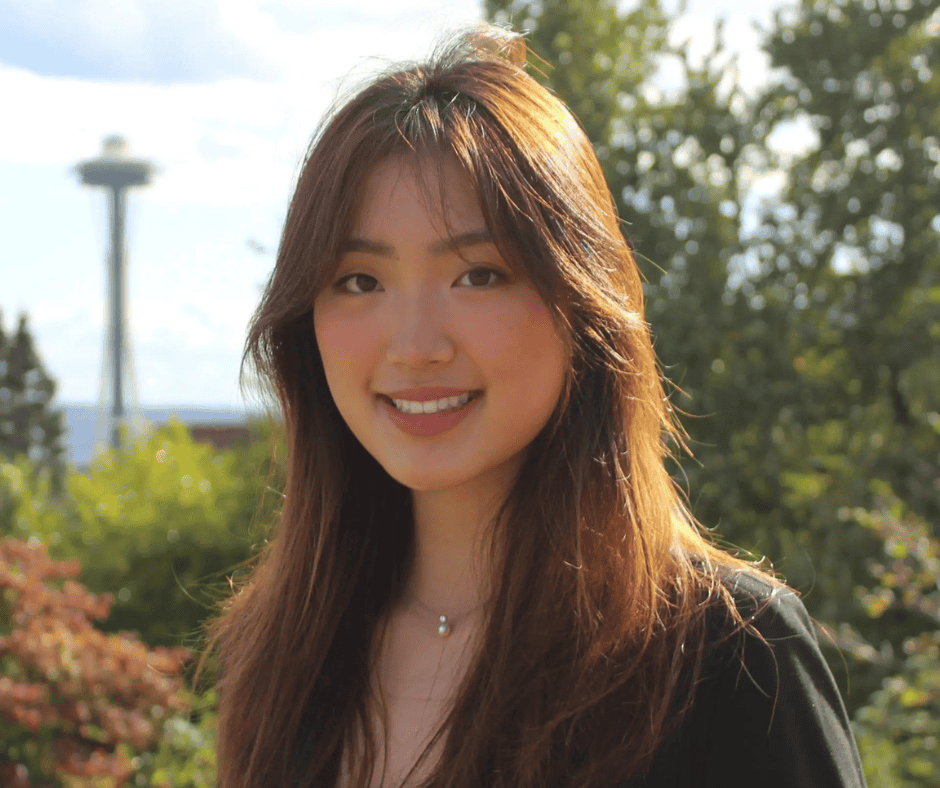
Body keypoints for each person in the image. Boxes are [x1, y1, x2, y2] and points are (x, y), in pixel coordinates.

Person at [193, 21, 869, 788]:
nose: (415, 346)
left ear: (582, 304)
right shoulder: (283, 651)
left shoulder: (730, 657)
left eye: (478, 274)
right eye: (360, 281)